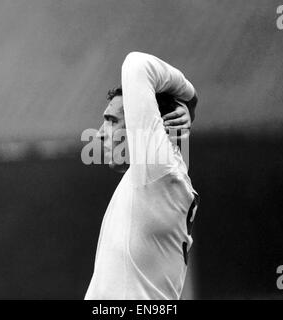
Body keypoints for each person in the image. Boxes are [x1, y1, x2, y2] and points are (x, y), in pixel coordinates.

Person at [85, 52, 199, 300]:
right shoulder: (151, 178)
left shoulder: (158, 169)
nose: (100, 134)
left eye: (112, 121)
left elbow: (136, 63)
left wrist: (190, 99)